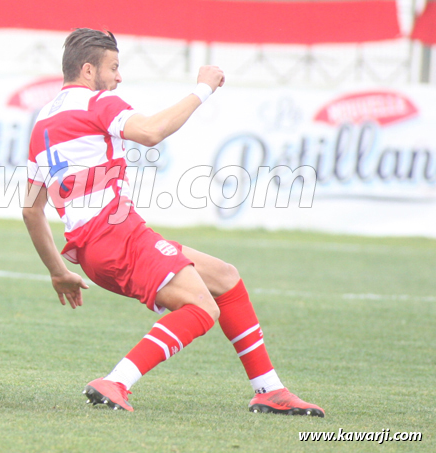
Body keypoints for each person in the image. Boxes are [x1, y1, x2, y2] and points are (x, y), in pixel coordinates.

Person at [22, 28, 324, 416]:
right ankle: (116, 381)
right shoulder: (96, 103)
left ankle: (269, 389)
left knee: (225, 278)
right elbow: (150, 132)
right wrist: (203, 89)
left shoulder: (41, 124)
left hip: (96, 246)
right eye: (113, 68)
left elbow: (31, 209)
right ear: (86, 70)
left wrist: (57, 270)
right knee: (202, 308)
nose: (118, 77)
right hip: (114, 236)